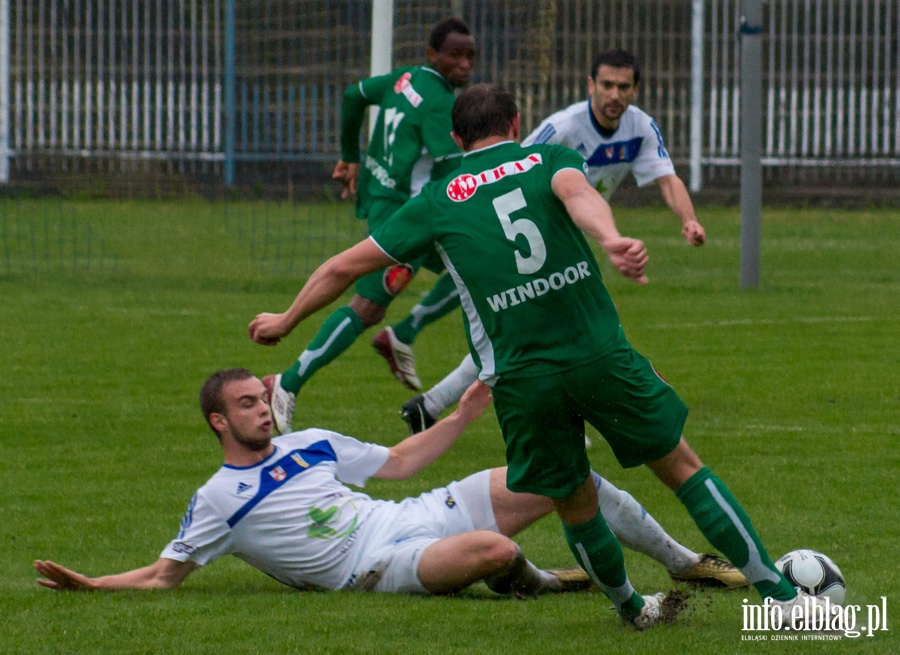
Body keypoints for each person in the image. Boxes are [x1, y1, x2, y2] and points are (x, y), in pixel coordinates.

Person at [247, 84, 830, 630]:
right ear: (518, 124)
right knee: (681, 467)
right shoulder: (548, 161)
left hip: (523, 380)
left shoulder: (435, 202)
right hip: (598, 355)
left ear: (456, 140)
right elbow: (580, 199)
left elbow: (342, 267)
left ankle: (631, 609)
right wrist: (611, 240)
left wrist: (286, 318)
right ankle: (780, 599)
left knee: (573, 499)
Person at [35, 369, 741, 602]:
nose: (263, 408)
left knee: (565, 475)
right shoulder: (218, 498)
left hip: (410, 511)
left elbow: (400, 462)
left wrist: (463, 416)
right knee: (491, 550)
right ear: (218, 420)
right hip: (373, 567)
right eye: (247, 403)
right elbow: (164, 576)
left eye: (263, 397)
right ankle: (542, 580)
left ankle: (686, 561)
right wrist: (93, 585)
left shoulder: (309, 444)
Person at [400, 48, 706, 434]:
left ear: (635, 89)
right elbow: (510, 166)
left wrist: (689, 219)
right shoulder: (562, 126)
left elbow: (668, 177)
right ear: (590, 85)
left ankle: (429, 405)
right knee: (556, 326)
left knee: (522, 329)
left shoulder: (641, 127)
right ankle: (573, 407)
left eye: (623, 87)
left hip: (570, 233)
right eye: (607, 85)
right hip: (531, 231)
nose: (615, 95)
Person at [262, 18, 474, 436]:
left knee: (467, 270)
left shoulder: (405, 79)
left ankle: (403, 334)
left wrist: (350, 155)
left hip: (385, 196)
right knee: (368, 305)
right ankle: (286, 382)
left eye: (471, 56)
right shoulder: (439, 100)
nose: (465, 64)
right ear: (433, 54)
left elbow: (353, 95)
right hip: (406, 217)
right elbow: (451, 164)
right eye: (456, 55)